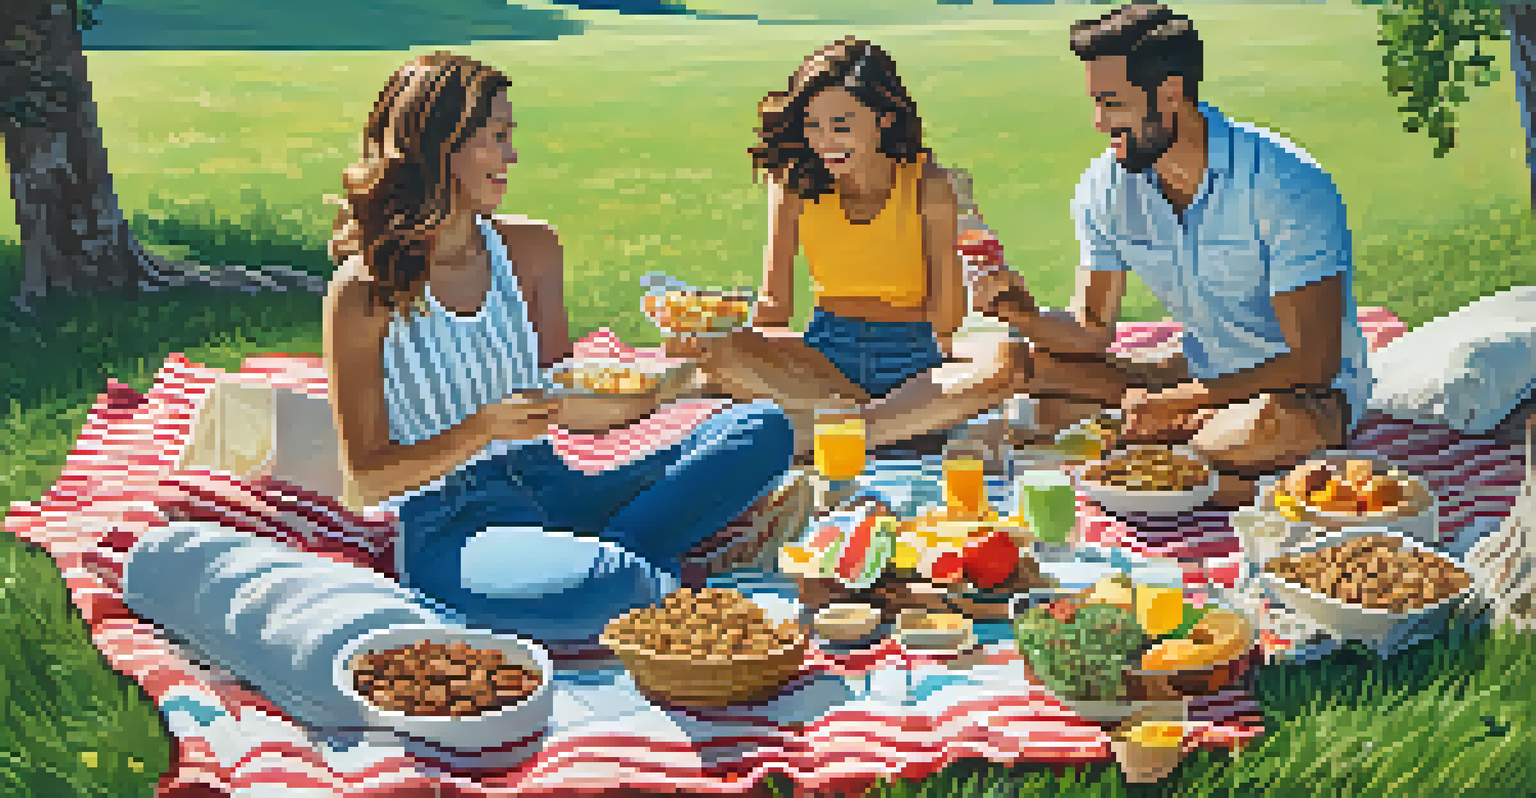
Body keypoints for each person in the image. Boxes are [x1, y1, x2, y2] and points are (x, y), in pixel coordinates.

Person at [323, 52, 793, 644]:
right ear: (444, 146)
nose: (512, 156)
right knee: (606, 583)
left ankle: (605, 571)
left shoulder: (532, 251)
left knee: (763, 430)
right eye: (498, 137)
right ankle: (624, 575)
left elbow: (566, 403)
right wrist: (485, 430)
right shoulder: (364, 291)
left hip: (554, 485)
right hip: (453, 525)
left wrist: (680, 381)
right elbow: (367, 479)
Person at [970, 3, 1372, 509]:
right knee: (1027, 376)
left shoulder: (1284, 184)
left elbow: (1314, 363)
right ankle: (1173, 460)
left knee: (1259, 428)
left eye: (1112, 103)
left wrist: (1178, 402)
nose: (1099, 123)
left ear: (1171, 93)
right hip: (1192, 376)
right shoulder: (1108, 186)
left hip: (1299, 396)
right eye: (1095, 103)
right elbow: (1091, 330)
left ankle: (1153, 459)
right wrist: (1018, 312)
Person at [667, 37, 1030, 456]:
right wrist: (727, 346)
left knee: (1009, 362)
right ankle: (901, 424)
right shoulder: (793, 181)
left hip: (915, 358)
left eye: (841, 125)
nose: (825, 142)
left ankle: (833, 430)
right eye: (812, 125)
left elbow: (947, 321)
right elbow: (773, 308)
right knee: (713, 352)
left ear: (885, 119)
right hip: (824, 356)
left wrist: (953, 241)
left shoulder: (928, 184)